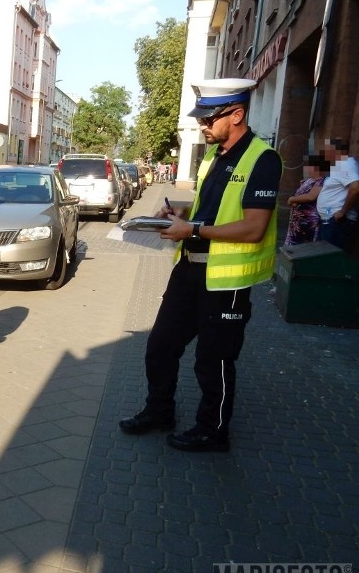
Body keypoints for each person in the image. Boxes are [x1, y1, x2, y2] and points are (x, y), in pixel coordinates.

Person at [119, 78, 283, 452]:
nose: (203, 126)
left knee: (214, 360)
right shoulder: (214, 155)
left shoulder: (263, 159)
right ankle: (159, 411)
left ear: (237, 114)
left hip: (226, 281)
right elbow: (207, 210)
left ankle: (213, 430)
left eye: (210, 119)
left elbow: (254, 227)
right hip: (190, 268)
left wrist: (190, 227)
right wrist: (179, 213)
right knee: (160, 345)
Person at [316, 138, 359, 250]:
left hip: (337, 222)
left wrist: (342, 212)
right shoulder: (339, 166)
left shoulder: (346, 164)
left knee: (329, 257)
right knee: (321, 254)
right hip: (329, 219)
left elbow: (356, 188)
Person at [284, 152, 327, 246]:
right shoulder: (308, 181)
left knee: (305, 247)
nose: (307, 168)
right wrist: (294, 200)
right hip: (296, 221)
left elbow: (311, 197)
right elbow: (297, 195)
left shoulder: (321, 181)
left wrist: (292, 199)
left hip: (308, 223)